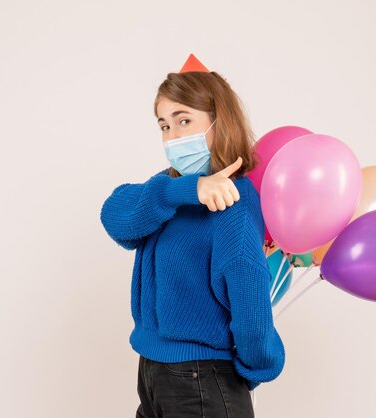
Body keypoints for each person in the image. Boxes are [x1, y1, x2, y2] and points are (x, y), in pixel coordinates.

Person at [99, 54, 285, 418]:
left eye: (184, 120)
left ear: (219, 123)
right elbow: (114, 215)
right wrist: (186, 190)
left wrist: (257, 367)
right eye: (164, 125)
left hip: (202, 379)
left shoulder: (233, 206)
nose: (173, 136)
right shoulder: (172, 192)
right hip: (153, 371)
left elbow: (252, 312)